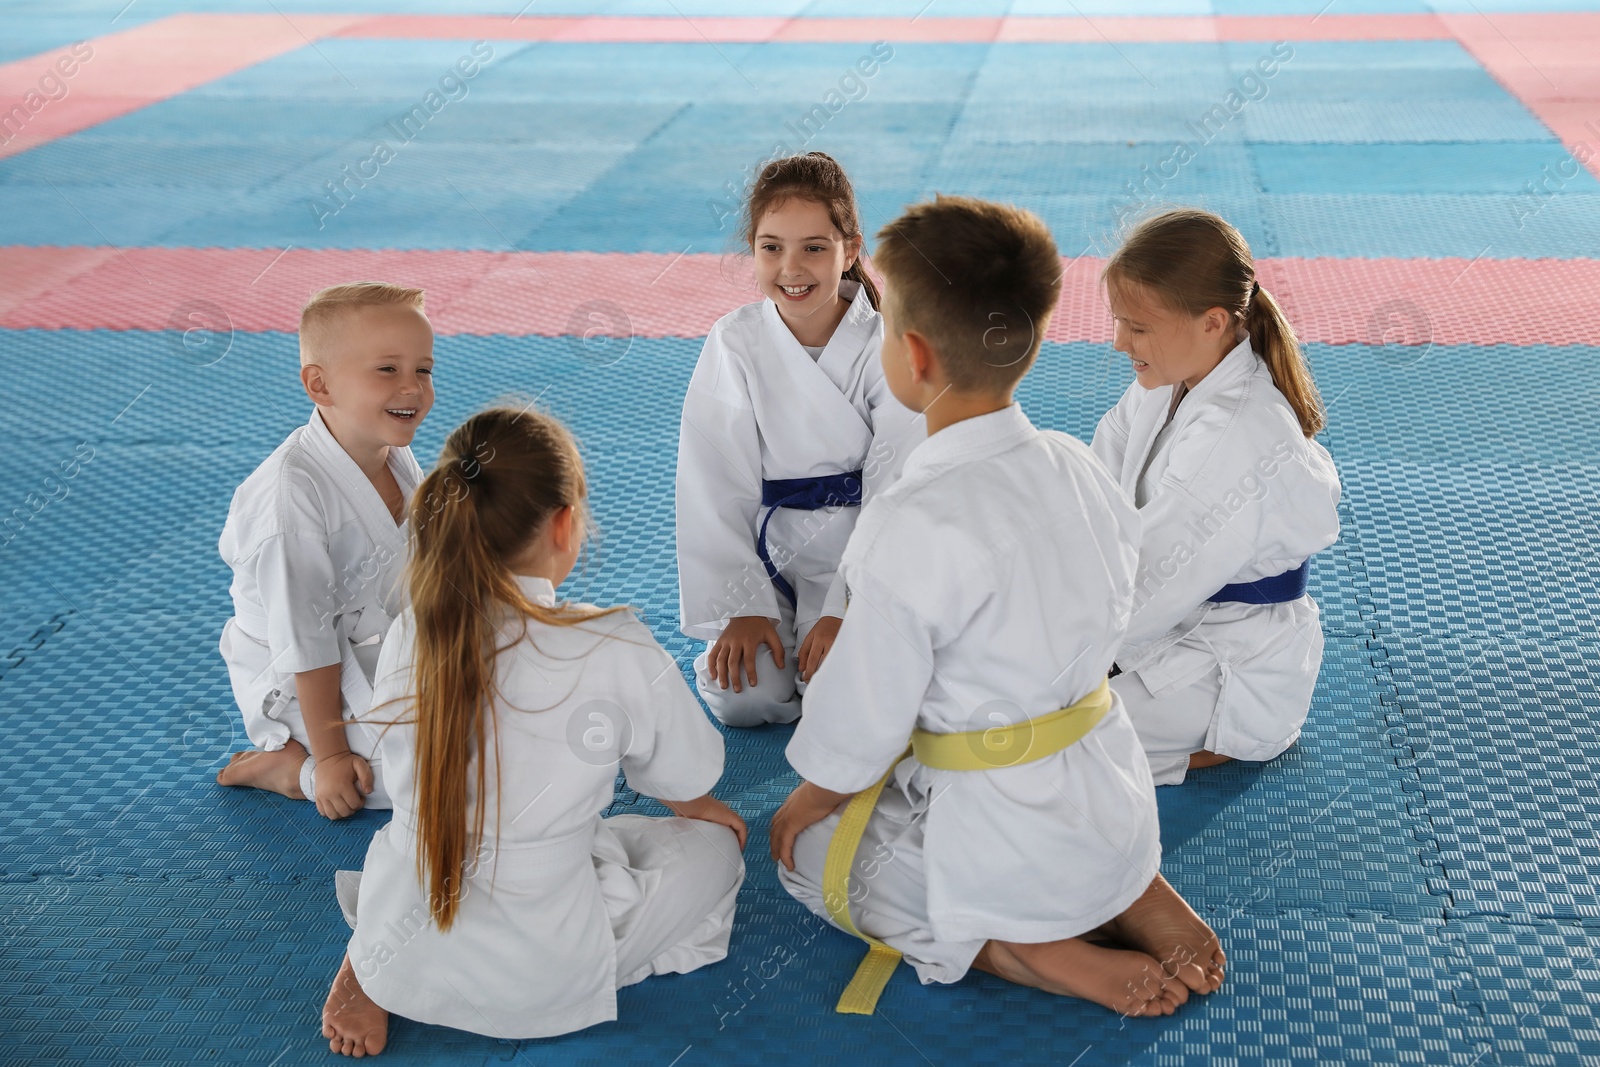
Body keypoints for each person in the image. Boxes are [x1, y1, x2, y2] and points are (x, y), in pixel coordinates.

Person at [770, 196, 1223, 1019]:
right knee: (985, 735)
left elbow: (865, 714)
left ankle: (1030, 952)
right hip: (1106, 789)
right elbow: (1116, 598)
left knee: (808, 854)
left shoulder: (911, 519)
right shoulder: (1073, 463)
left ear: (911, 354)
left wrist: (813, 791)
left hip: (1002, 832)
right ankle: (1130, 886)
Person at [322, 407, 747, 1056]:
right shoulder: (611, 642)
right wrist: (701, 812)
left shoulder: (418, 627)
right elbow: (687, 776)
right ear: (564, 523)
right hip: (545, 959)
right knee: (713, 853)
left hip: (409, 906)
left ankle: (377, 961)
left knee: (561, 832)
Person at [1091, 208, 1341, 786]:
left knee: (1025, 733)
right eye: (1119, 321)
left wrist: (1030, 636)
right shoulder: (1167, 385)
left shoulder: (1235, 436)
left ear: (1211, 322)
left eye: (1139, 327)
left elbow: (1151, 582)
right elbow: (1096, 492)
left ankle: (1201, 747)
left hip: (1227, 665)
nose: (1118, 341)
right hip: (1160, 622)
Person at [676, 151, 922, 728]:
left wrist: (845, 606)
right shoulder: (735, 343)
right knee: (750, 698)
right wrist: (741, 606)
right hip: (769, 558)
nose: (792, 267)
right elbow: (713, 482)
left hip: (862, 560)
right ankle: (771, 635)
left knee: (845, 698)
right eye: (771, 247)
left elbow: (898, 489)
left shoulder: (891, 344)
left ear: (851, 250)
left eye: (814, 247)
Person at [215, 282, 434, 818]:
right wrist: (332, 755)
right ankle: (294, 767)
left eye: (423, 370)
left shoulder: (388, 453)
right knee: (434, 781)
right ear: (320, 385)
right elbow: (306, 643)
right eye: (388, 370)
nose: (412, 388)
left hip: (383, 647)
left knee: (510, 718)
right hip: (302, 682)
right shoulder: (290, 505)